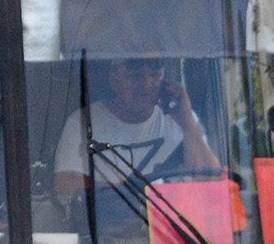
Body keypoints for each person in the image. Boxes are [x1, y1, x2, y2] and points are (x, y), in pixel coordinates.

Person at [52, 55, 219, 199]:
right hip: (106, 230)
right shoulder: (83, 123)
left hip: (169, 229)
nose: (146, 84)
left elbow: (213, 182)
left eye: (154, 75)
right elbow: (65, 183)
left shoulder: (182, 120)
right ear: (114, 79)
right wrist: (125, 191)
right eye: (136, 75)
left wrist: (188, 124)